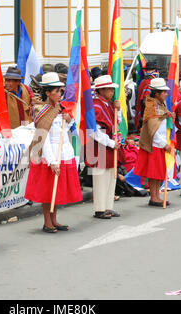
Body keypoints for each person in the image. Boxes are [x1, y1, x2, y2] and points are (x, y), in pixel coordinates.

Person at [25, 72, 81, 233]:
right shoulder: (41, 110)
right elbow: (44, 139)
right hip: (48, 155)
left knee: (56, 189)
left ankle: (54, 219)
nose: (59, 94)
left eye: (60, 91)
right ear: (47, 92)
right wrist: (51, 161)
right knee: (48, 190)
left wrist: (69, 120)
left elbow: (68, 130)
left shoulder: (61, 108)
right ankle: (47, 221)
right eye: (56, 91)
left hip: (63, 152)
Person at [85, 75, 121, 219]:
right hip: (99, 146)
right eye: (109, 89)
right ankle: (100, 209)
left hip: (110, 144)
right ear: (101, 90)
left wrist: (118, 111)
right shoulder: (95, 106)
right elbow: (94, 130)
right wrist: (111, 143)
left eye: (112, 89)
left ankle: (108, 206)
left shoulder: (109, 104)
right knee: (100, 177)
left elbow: (116, 123)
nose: (112, 92)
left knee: (111, 176)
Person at [134, 78, 173, 207]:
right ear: (157, 93)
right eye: (164, 92)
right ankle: (154, 197)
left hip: (160, 144)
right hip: (154, 144)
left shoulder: (161, 105)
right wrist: (164, 144)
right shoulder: (151, 107)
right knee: (154, 173)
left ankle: (157, 196)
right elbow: (152, 131)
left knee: (159, 173)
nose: (166, 94)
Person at [134, 62, 159, 130]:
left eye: (152, 69)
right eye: (149, 69)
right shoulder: (148, 82)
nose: (149, 71)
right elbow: (145, 101)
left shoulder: (145, 81)